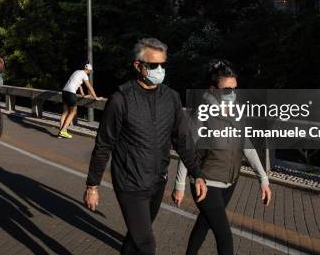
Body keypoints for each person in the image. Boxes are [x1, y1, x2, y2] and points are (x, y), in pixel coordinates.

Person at [85, 38, 207, 255]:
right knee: (147, 244)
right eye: (153, 65)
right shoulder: (120, 99)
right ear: (138, 65)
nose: (159, 70)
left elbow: (182, 140)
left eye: (162, 65)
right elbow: (104, 144)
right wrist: (92, 185)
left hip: (157, 181)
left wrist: (196, 173)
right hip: (130, 182)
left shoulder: (171, 98)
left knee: (135, 239)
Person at [171, 60, 272, 255]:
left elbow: (247, 145)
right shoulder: (201, 113)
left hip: (230, 181)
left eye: (234, 89)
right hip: (205, 181)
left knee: (205, 222)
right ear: (213, 89)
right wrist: (180, 185)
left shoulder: (237, 111)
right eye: (227, 90)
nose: (232, 94)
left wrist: (263, 178)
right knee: (224, 235)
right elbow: (187, 150)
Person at [58, 63, 98, 139]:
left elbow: (79, 85)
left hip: (64, 92)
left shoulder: (77, 72)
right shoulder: (85, 75)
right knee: (73, 111)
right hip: (71, 93)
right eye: (90, 71)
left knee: (65, 112)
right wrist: (96, 97)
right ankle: (63, 130)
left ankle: (61, 131)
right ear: (89, 70)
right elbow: (89, 86)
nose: (90, 73)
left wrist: (83, 95)